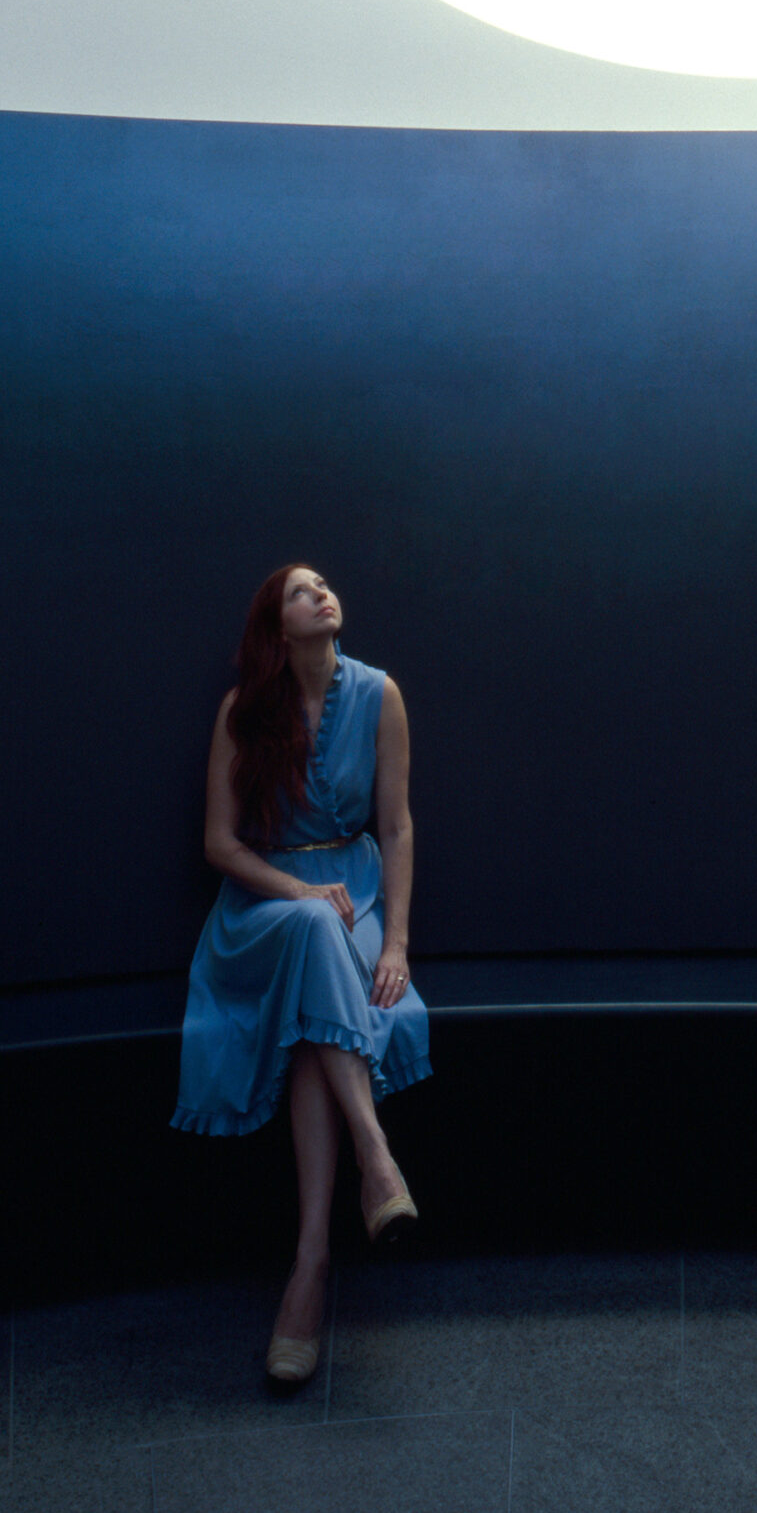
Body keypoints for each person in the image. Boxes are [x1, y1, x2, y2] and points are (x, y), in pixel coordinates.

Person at [171, 561, 428, 1385]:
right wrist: (300, 890)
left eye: (323, 584)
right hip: (265, 911)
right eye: (298, 591)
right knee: (315, 931)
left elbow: (394, 825)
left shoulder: (379, 695)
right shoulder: (242, 712)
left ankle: (309, 1266)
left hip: (357, 904)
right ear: (277, 628)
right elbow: (220, 843)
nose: (321, 593)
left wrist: (396, 947)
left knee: (318, 1023)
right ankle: (375, 1160)